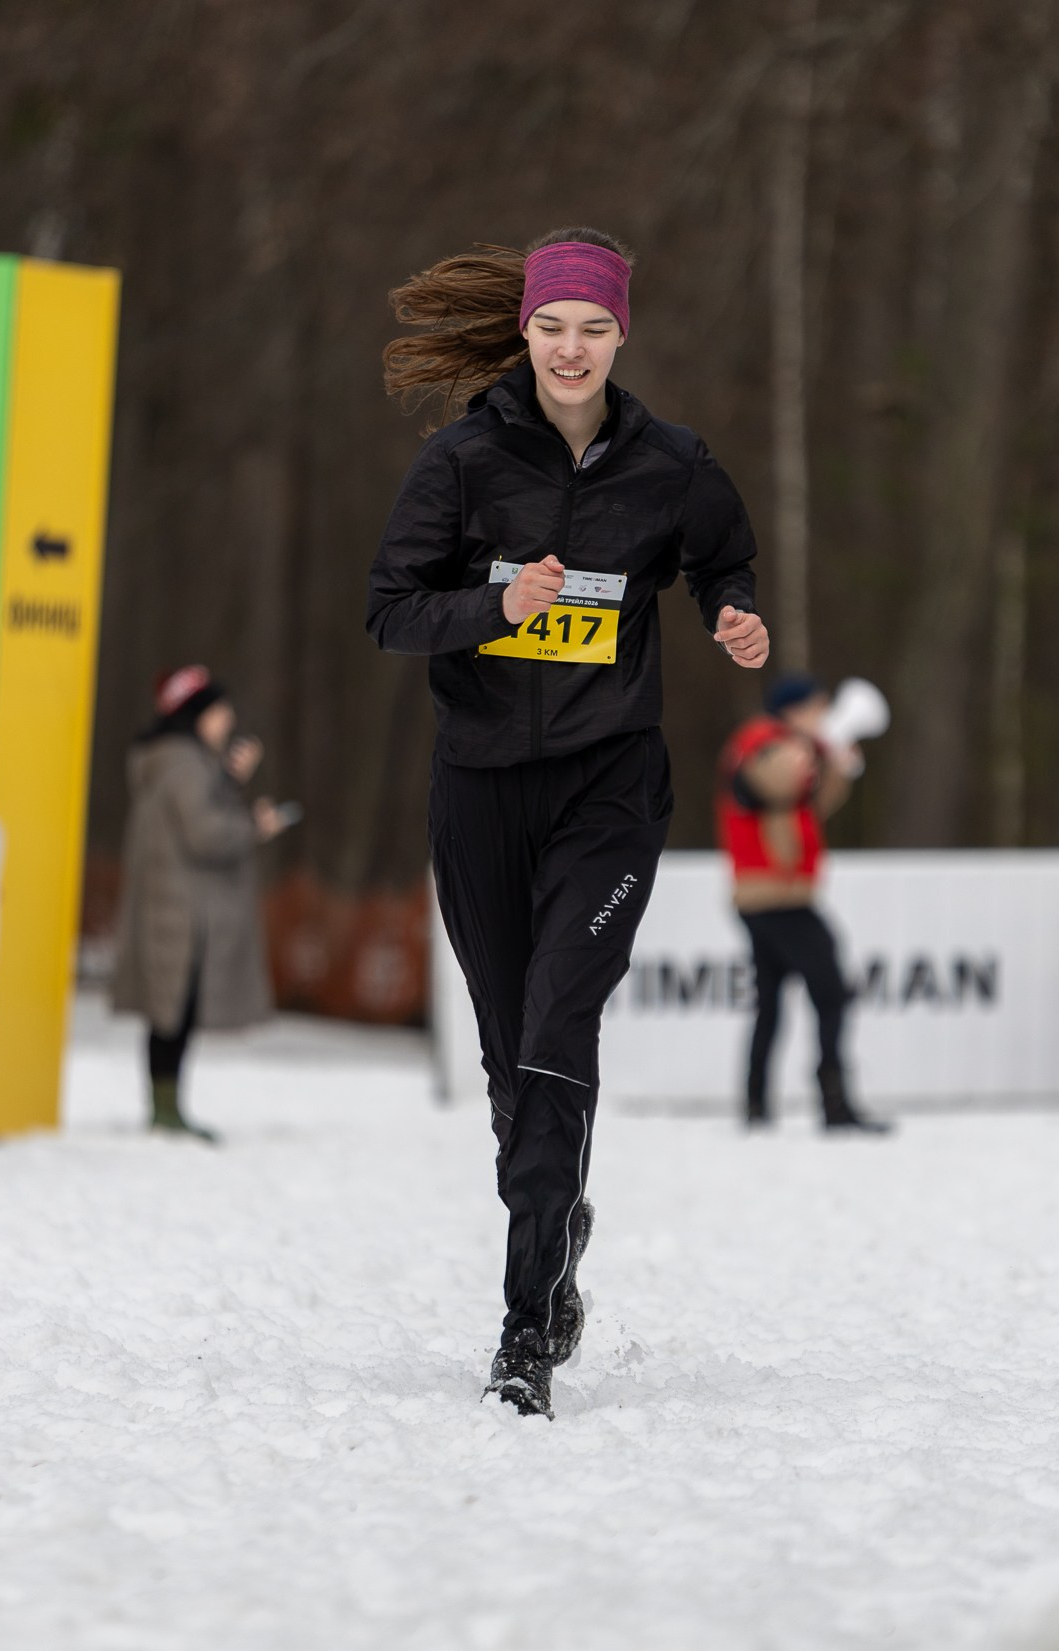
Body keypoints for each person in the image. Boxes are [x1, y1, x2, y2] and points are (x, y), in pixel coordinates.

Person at [368, 226, 770, 1418]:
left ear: (621, 335)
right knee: (510, 1068)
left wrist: (733, 612)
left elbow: (723, 556)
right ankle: (558, 1227)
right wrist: (497, 602)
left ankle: (522, 1329)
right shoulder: (458, 464)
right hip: (482, 789)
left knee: (559, 1027)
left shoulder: (671, 464)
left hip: (607, 786)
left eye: (594, 328)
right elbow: (391, 614)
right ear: (527, 333)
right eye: (553, 326)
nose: (572, 348)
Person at [111, 665, 287, 1142]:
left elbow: (201, 814)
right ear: (198, 715)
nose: (227, 719)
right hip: (181, 913)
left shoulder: (169, 760)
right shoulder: (185, 764)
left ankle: (165, 1107)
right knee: (173, 1013)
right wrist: (256, 827)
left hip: (167, 907)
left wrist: (229, 780)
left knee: (168, 1013)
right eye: (219, 709)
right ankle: (165, 1111)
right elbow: (207, 834)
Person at [716, 674, 886, 1135]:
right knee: (831, 990)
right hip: (777, 894)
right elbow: (776, 782)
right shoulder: (763, 742)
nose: (822, 717)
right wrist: (821, 745)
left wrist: (834, 764)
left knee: (769, 1002)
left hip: (768, 892)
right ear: (794, 710)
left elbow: (810, 804)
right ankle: (834, 1103)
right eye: (816, 708)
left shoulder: (781, 743)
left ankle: (756, 1104)